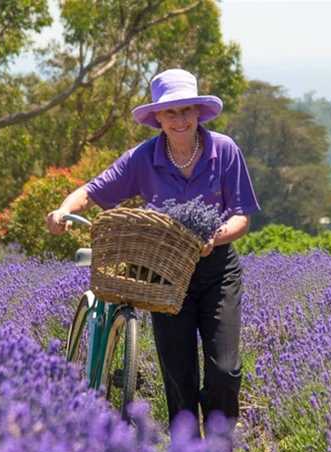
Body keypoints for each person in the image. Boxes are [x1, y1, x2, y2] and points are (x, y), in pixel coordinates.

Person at [46, 68, 259, 430]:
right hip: (164, 279)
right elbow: (93, 190)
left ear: (198, 112)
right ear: (158, 117)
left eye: (186, 110)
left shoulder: (224, 151)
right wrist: (64, 209)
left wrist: (214, 237)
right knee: (179, 378)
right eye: (171, 112)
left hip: (216, 271)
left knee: (224, 370)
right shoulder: (143, 158)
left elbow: (241, 215)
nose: (180, 120)